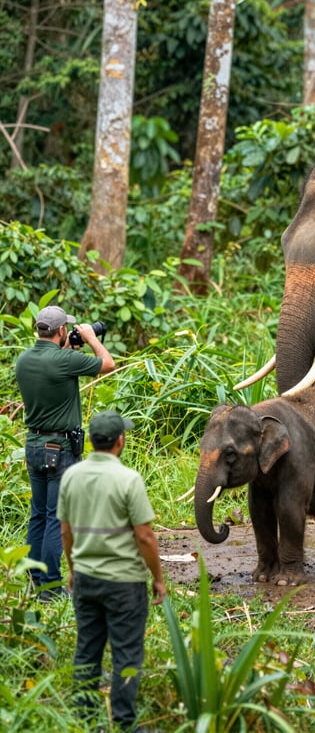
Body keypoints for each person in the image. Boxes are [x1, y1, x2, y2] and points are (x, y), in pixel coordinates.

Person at [58, 410, 166, 733]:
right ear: (120, 441)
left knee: (87, 650)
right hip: (124, 584)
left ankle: (85, 720)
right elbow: (145, 536)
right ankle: (124, 723)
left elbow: (65, 531)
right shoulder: (128, 479)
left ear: (92, 441)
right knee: (127, 653)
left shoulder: (71, 477)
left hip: (86, 579)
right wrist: (158, 578)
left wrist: (74, 569)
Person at [15, 305, 116, 597]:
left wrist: (67, 348)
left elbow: (52, 367)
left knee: (38, 515)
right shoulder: (66, 360)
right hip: (60, 450)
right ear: (61, 330)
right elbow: (108, 364)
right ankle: (50, 587)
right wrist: (91, 337)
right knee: (56, 517)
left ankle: (35, 581)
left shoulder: (24, 360)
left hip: (34, 446)